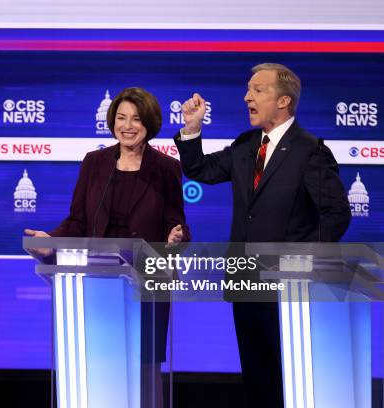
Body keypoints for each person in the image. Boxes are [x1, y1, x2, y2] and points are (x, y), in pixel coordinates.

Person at [174, 63, 351, 407]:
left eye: (257, 90)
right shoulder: (245, 146)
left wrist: (296, 261)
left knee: (288, 379)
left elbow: (337, 214)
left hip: (289, 288)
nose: (246, 97)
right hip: (245, 284)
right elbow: (200, 170)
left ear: (283, 100)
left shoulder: (310, 151)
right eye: (248, 89)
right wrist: (192, 129)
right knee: (256, 378)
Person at [25, 87, 190, 406]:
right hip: (97, 285)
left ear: (150, 124)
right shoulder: (94, 163)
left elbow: (177, 223)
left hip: (148, 285)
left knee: (144, 372)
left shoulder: (166, 169)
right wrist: (52, 242)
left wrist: (174, 239)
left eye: (136, 119)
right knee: (98, 364)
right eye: (121, 118)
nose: (127, 126)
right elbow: (77, 222)